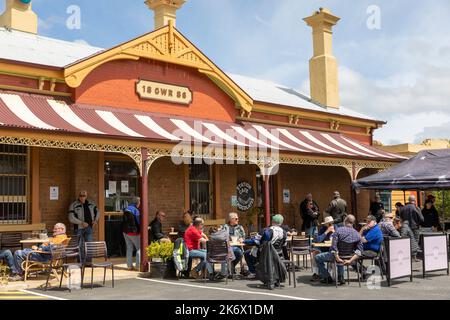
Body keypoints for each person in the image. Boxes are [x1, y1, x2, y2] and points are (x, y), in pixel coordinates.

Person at [315, 215, 363, 285]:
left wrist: (337, 257)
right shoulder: (357, 234)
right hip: (348, 256)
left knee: (317, 257)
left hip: (336, 256)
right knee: (340, 255)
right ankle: (341, 277)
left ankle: (327, 277)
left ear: (345, 221)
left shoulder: (338, 231)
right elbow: (359, 252)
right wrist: (350, 260)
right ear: (353, 222)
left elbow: (334, 248)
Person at [243, 214, 287, 279]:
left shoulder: (266, 230)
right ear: (281, 222)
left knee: (247, 253)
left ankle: (253, 272)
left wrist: (244, 241)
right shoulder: (284, 232)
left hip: (265, 254)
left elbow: (255, 241)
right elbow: (284, 245)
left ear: (272, 221)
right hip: (278, 254)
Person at [68, 190, 99, 256]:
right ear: (78, 196)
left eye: (84, 196)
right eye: (81, 196)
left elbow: (98, 212)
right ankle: (81, 262)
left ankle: (88, 262)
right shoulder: (73, 205)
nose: (82, 197)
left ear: (86, 196)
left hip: (89, 228)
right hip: (78, 228)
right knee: (79, 245)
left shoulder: (92, 204)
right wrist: (81, 223)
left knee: (89, 245)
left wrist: (95, 220)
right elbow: (71, 218)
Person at [310, 216, 335, 282]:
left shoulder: (336, 228)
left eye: (331, 223)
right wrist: (326, 232)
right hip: (323, 248)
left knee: (333, 253)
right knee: (315, 252)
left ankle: (328, 273)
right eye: (328, 223)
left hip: (332, 248)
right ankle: (316, 273)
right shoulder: (323, 229)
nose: (330, 224)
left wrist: (334, 232)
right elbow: (318, 240)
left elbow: (338, 239)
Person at [121, 196, 141, 271]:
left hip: (125, 232)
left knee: (129, 248)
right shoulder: (135, 210)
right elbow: (139, 222)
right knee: (139, 248)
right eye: (139, 202)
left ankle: (129, 266)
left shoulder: (127, 208)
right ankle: (138, 266)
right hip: (133, 232)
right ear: (138, 203)